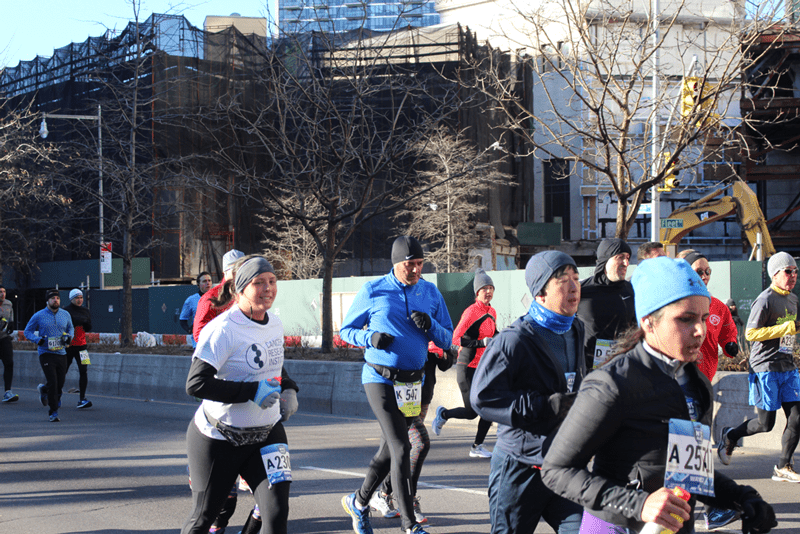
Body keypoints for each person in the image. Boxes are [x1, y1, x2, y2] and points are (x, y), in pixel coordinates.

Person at [541, 256, 778, 534]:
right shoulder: (612, 383)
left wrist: (740, 497)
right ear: (648, 322)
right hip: (615, 526)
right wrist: (639, 504)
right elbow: (556, 470)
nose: (701, 330)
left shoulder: (697, 381)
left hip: (675, 526)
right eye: (686, 319)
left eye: (703, 318)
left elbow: (691, 473)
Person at [339, 235, 453, 534]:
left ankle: (359, 501)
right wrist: (370, 338)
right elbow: (345, 330)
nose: (415, 270)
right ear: (396, 263)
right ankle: (409, 525)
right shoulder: (374, 290)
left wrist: (431, 326)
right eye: (409, 265)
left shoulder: (430, 292)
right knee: (403, 446)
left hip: (412, 383)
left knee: (389, 451)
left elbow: (448, 337)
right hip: (379, 377)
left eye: (419, 264)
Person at [181, 256, 299, 534]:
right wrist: (251, 392)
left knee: (276, 514)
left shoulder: (275, 323)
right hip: (220, 437)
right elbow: (196, 384)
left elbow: (272, 361)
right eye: (259, 283)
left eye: (272, 281)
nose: (268, 288)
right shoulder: (222, 329)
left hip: (267, 433)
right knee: (204, 517)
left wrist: (290, 387)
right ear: (240, 289)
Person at [471, 251, 585, 534]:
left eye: (576, 278)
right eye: (563, 281)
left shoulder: (577, 329)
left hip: (563, 465)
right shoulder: (514, 340)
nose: (573, 287)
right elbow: (482, 397)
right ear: (540, 293)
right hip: (519, 469)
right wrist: (546, 406)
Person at [717, 251, 800, 483]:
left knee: (797, 417)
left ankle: (783, 466)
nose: (792, 275)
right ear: (775, 274)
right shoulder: (765, 299)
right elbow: (751, 333)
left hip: (788, 366)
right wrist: (785, 329)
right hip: (765, 367)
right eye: (787, 271)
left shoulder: (793, 299)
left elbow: (791, 330)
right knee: (766, 424)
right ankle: (731, 436)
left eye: (795, 271)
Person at [676, 250, 740, 529]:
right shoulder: (676, 302)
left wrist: (730, 345)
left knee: (693, 446)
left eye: (707, 272)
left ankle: (694, 508)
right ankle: (710, 508)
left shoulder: (717, 307)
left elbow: (727, 332)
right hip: (678, 384)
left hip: (704, 383)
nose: (704, 276)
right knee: (692, 446)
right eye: (699, 271)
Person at [370, 342, 456, 523]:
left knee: (398, 448)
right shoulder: (406, 326)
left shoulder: (432, 330)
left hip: (422, 396)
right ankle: (409, 500)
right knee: (420, 443)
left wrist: (446, 351)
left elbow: (444, 365)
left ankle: (383, 494)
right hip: (400, 395)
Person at [431, 268, 497, 459]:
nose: (489, 291)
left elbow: (493, 334)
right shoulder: (471, 312)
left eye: (491, 288)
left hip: (483, 368)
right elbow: (456, 338)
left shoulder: (491, 311)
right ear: (477, 292)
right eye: (485, 288)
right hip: (466, 366)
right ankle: (443, 415)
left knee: (488, 408)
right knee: (470, 413)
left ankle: (477, 446)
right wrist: (480, 343)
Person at [577, 238, 636, 369]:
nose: (626, 263)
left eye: (628, 257)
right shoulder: (582, 291)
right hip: (588, 371)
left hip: (622, 368)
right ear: (605, 260)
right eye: (620, 257)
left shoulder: (630, 290)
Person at [24, 289, 74, 422]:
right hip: (46, 352)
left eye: (57, 298)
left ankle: (45, 390)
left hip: (61, 352)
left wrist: (70, 337)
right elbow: (27, 331)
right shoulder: (39, 315)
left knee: (60, 383)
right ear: (48, 300)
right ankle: (53, 412)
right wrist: (37, 339)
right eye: (53, 298)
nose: (55, 300)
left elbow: (70, 328)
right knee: (53, 381)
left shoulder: (65, 314)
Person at [194, 250, 245, 342]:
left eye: (243, 269)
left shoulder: (248, 292)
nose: (239, 273)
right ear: (225, 272)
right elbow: (199, 334)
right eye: (235, 270)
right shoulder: (210, 297)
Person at [64, 289, 94, 409]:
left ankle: (82, 398)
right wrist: (75, 322)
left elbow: (89, 327)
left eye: (81, 297)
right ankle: (56, 395)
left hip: (82, 346)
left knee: (84, 370)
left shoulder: (86, 310)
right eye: (77, 298)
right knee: (63, 371)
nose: (79, 300)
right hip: (68, 346)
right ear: (71, 299)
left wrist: (85, 323)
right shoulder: (66, 311)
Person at [180, 271, 213, 343]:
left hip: (215, 339)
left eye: (209, 280)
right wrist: (189, 329)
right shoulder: (191, 300)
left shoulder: (218, 298)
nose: (208, 283)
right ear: (198, 284)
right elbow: (182, 319)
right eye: (204, 281)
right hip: (199, 340)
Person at [0, 285, 18, 403]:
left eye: (4, 291)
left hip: (4, 337)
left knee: (9, 363)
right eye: (0, 292)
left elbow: (11, 318)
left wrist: (11, 324)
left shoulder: (8, 304)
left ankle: (7, 392)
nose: (2, 294)